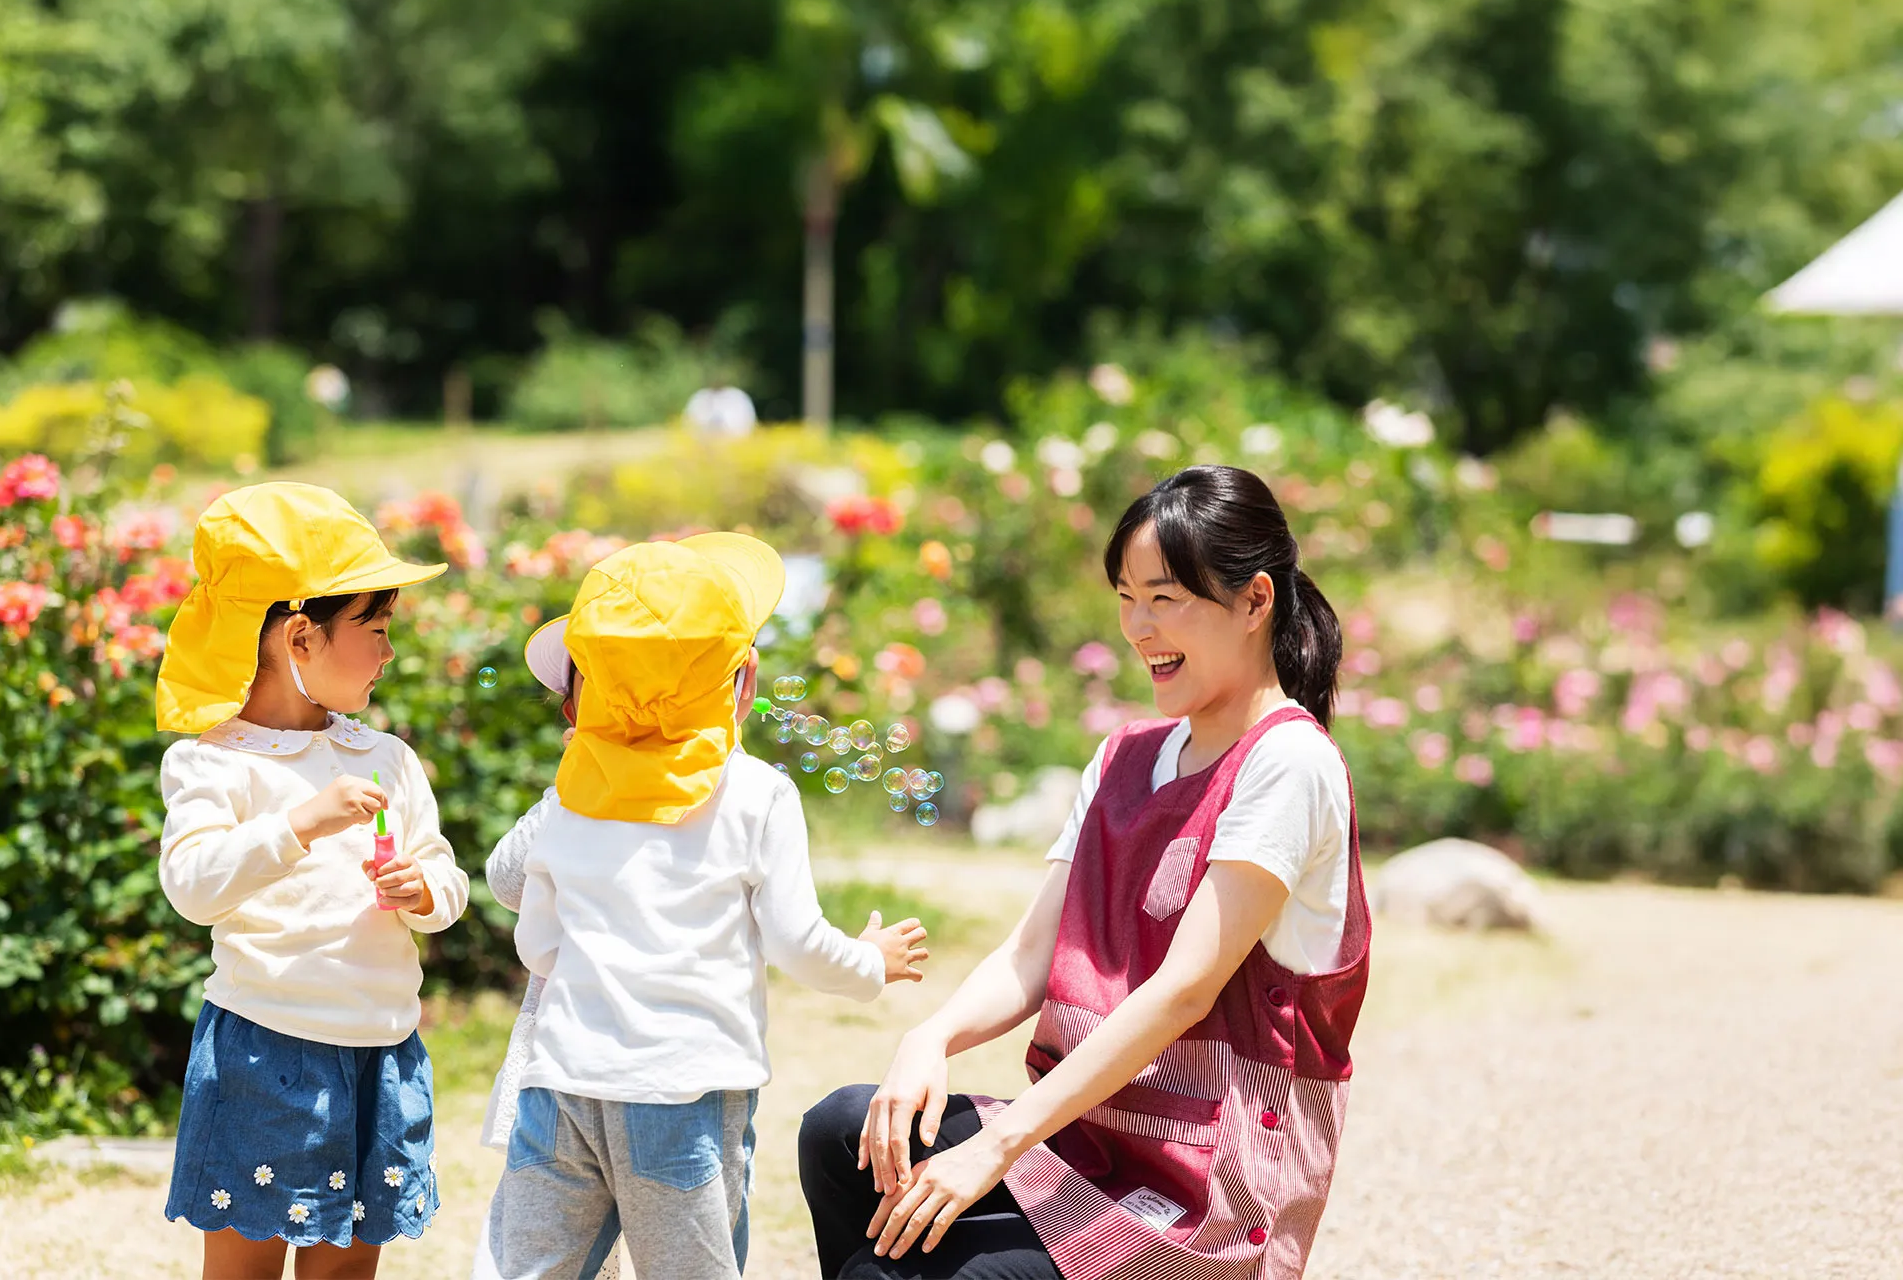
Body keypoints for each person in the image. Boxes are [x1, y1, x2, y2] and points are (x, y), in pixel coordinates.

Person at [799, 464, 1369, 1279]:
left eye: (1165, 597)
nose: (1138, 627)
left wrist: (993, 1146)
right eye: (1126, 597)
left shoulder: (1289, 761)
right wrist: (930, 1038)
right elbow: (1034, 956)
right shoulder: (1123, 756)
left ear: (1255, 601)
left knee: (888, 1274)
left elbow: (1185, 990)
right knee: (840, 1132)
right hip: (1088, 1146)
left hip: (1206, 1197)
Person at [475, 533, 932, 1280]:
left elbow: (535, 941)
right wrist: (869, 965)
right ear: (744, 680)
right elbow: (794, 943)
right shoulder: (757, 794)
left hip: (559, 1089)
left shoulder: (570, 800)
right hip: (682, 1097)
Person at [155, 483, 471, 1279]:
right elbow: (193, 887)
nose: (389, 652)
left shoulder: (387, 758)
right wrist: (299, 824)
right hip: (265, 1047)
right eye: (376, 628)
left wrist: (424, 891)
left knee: (343, 1269)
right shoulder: (213, 761)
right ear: (299, 637)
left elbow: (445, 878)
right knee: (245, 1269)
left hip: (380, 1048)